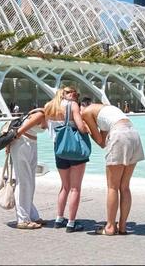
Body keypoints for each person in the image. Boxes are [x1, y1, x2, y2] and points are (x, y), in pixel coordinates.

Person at [79, 97, 145, 235]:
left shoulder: (86, 112)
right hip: (133, 134)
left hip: (119, 134)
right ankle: (122, 226)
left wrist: (87, 128)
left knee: (112, 187)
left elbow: (98, 140)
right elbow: (103, 142)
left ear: (82, 106)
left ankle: (109, 227)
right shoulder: (106, 108)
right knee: (125, 186)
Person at [44, 87, 90, 233]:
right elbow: (81, 127)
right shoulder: (72, 105)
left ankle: (59, 219)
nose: (74, 96)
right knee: (75, 187)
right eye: (73, 93)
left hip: (58, 149)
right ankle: (71, 223)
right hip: (74, 149)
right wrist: (87, 128)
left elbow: (43, 126)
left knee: (65, 186)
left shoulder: (49, 106)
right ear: (66, 94)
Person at [6, 108, 47, 230]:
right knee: (23, 182)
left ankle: (32, 215)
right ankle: (22, 219)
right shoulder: (40, 115)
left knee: (30, 183)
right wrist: (7, 145)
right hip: (21, 143)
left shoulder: (51, 117)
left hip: (31, 144)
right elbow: (18, 132)